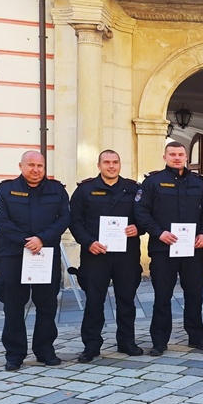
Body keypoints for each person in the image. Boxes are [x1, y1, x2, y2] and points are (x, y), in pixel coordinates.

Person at [0, 151, 70, 371]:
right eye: (31, 165)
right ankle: (15, 354)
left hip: (45, 255)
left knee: (47, 305)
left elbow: (64, 218)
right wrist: (27, 241)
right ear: (21, 166)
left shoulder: (57, 190)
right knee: (14, 306)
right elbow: (0, 221)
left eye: (40, 165)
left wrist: (42, 239)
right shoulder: (6, 189)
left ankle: (45, 350)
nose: (36, 169)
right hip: (15, 255)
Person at [135, 142, 203, 356]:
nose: (177, 157)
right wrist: (158, 232)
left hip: (191, 250)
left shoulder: (198, 184)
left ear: (186, 156)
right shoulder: (153, 182)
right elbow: (141, 211)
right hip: (163, 249)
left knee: (195, 294)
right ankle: (159, 341)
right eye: (172, 154)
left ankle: (197, 336)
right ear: (165, 157)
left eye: (180, 154)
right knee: (162, 296)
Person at [70, 150, 144, 363]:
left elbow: (146, 215)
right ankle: (91, 345)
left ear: (120, 165)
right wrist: (88, 242)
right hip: (96, 254)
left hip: (126, 255)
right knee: (94, 301)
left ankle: (127, 341)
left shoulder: (133, 189)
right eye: (107, 162)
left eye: (115, 162)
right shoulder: (85, 190)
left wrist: (138, 228)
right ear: (99, 165)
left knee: (127, 299)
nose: (111, 166)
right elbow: (75, 220)